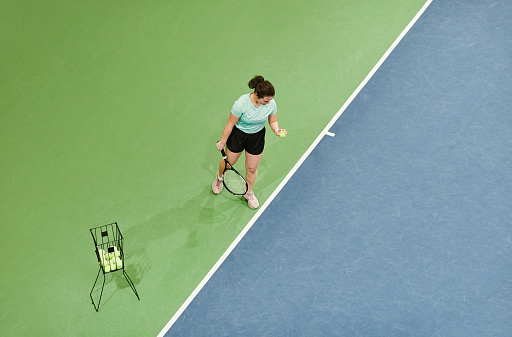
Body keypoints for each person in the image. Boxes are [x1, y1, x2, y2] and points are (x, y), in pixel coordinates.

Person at [212, 75, 286, 209]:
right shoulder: (241, 103)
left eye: (270, 100)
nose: (268, 103)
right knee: (229, 163)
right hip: (238, 135)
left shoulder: (271, 103)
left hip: (257, 137)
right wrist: (222, 142)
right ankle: (219, 177)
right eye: (266, 100)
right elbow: (229, 125)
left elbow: (273, 120)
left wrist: (276, 130)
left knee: (252, 168)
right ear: (257, 95)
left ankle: (248, 192)